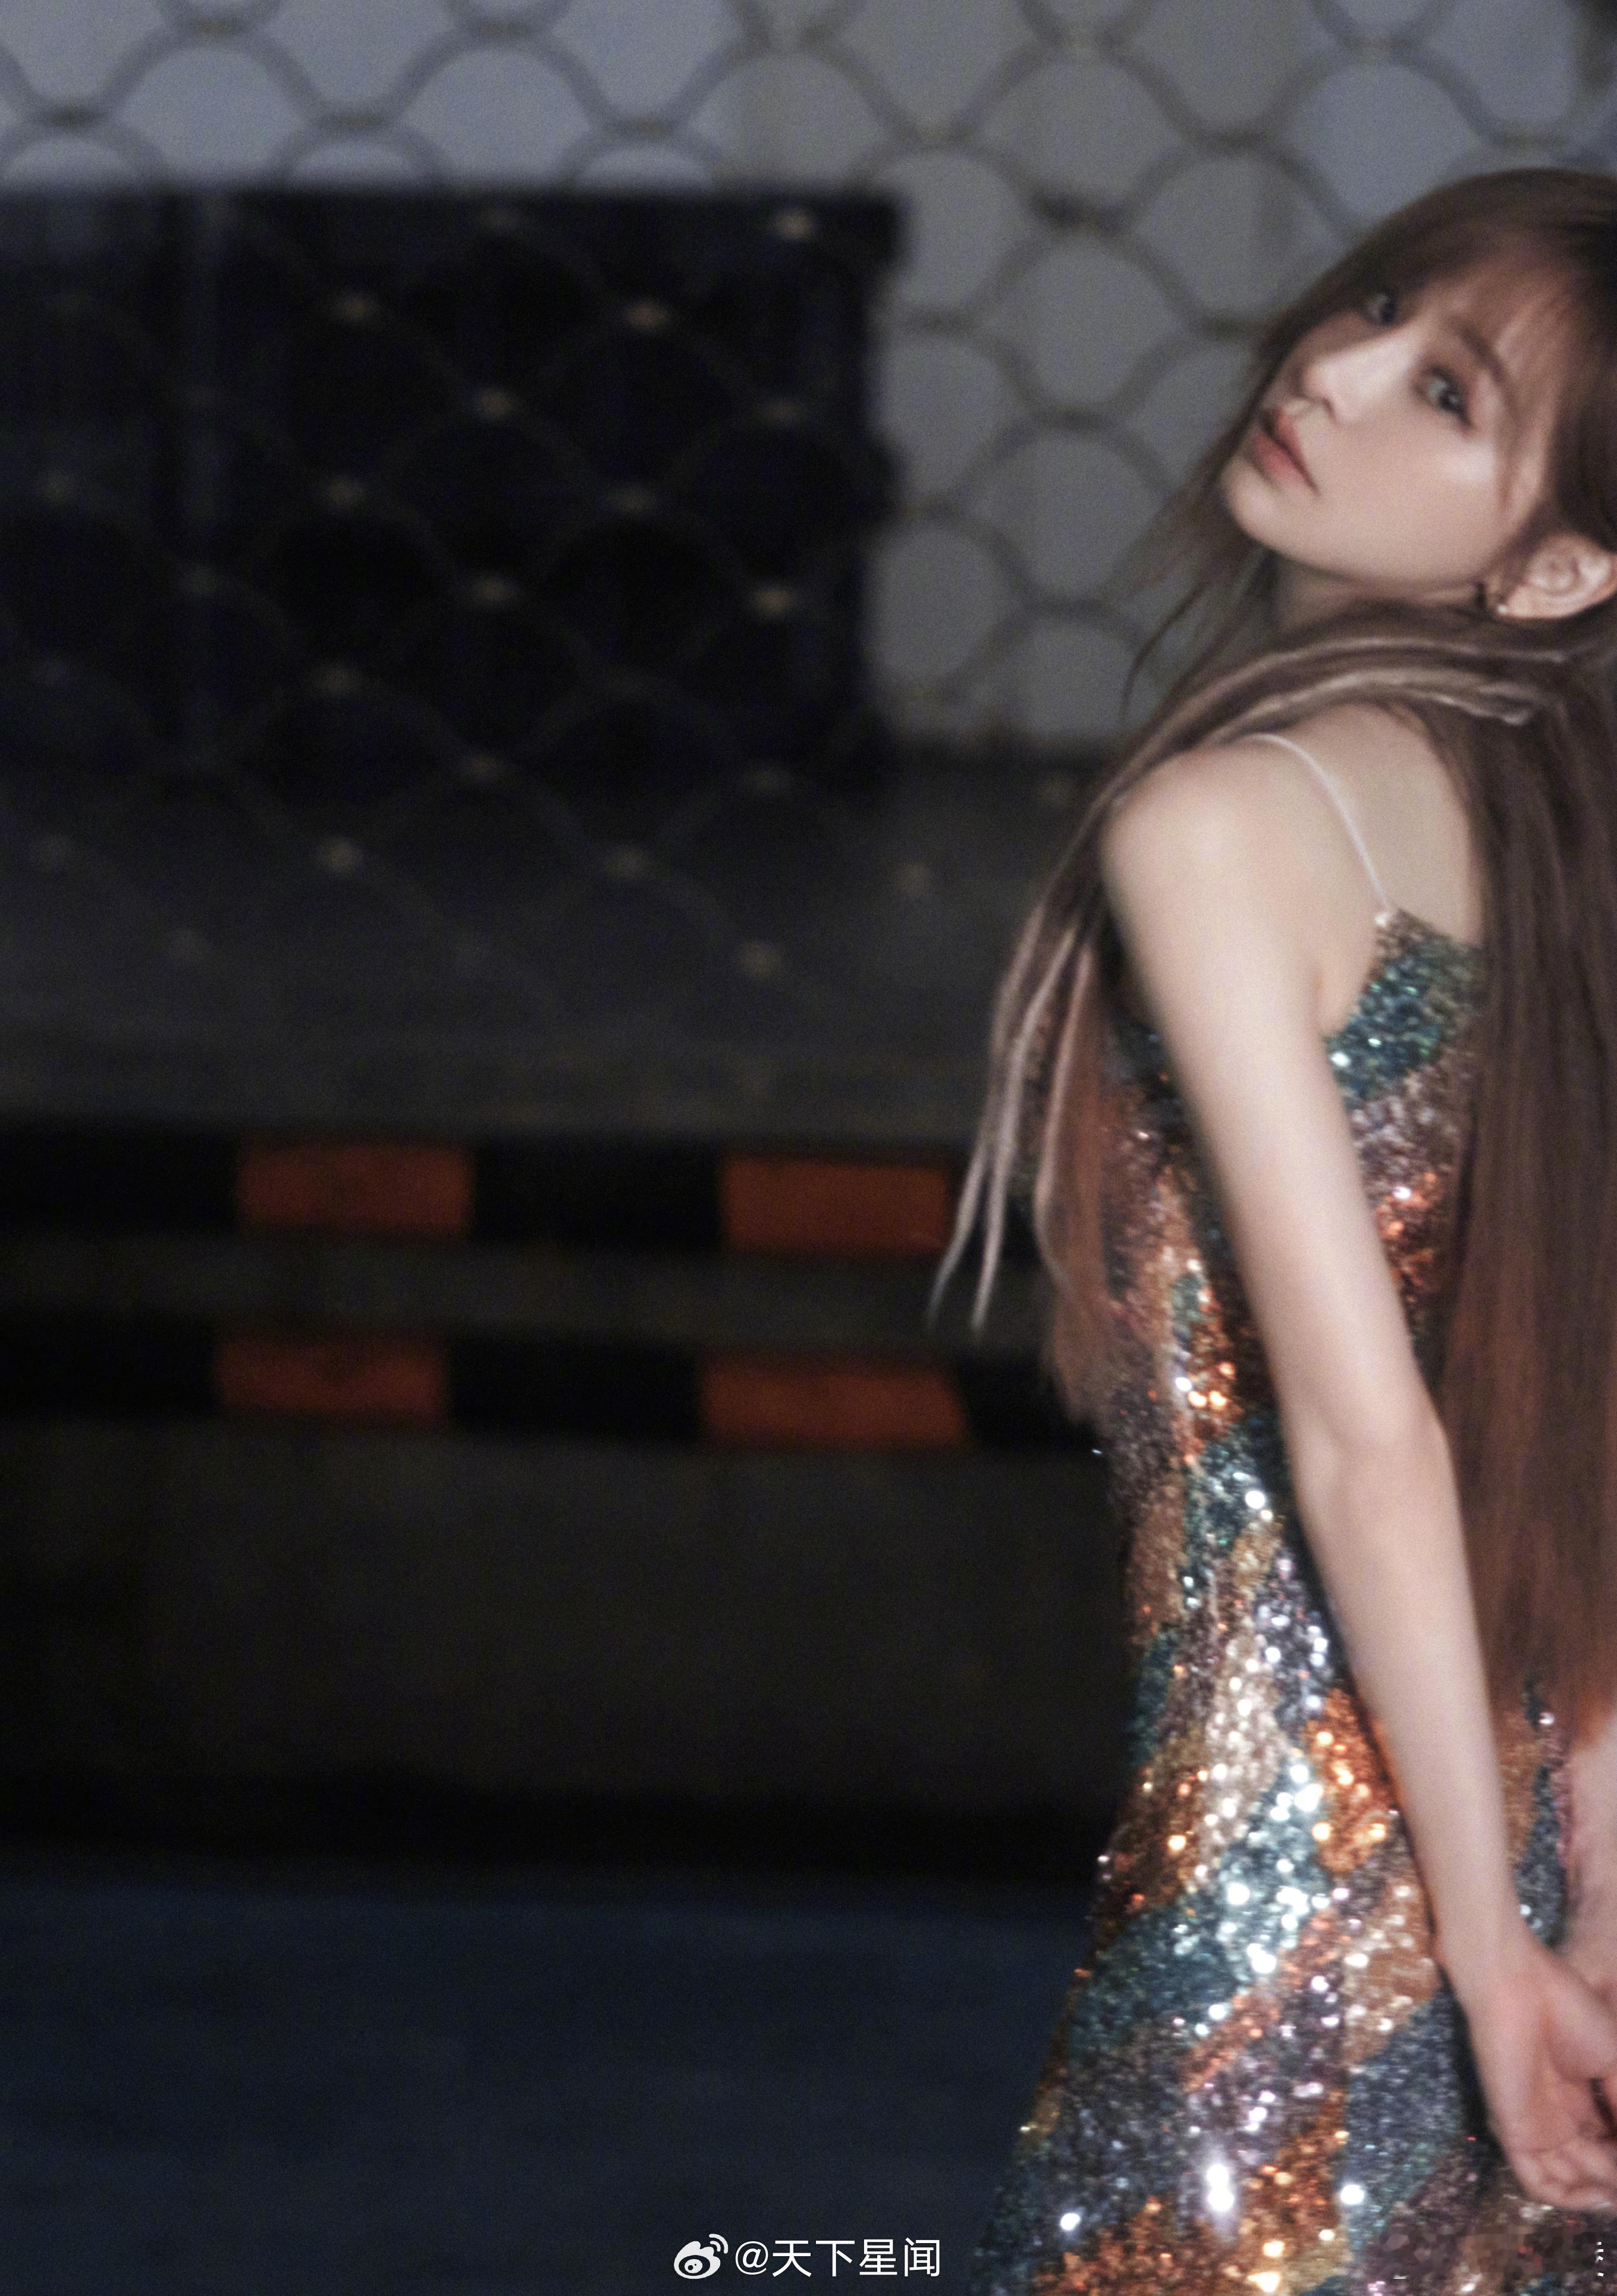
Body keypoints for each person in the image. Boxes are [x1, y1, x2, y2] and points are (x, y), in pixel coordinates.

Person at [948, 168, 1617, 2294]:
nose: (1330, 369)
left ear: (1562, 563)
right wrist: (1590, 1893)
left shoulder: (1223, 822)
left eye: (1446, 391)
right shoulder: (1549, 825)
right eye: (1380, 306)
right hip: (1531, 1850)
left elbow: (1370, 1438)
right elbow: (1571, 1398)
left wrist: (1492, 1963)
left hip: (1303, 1924)